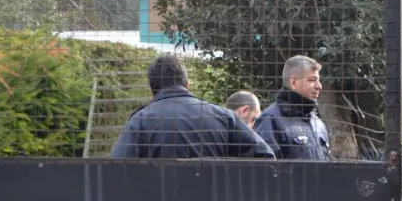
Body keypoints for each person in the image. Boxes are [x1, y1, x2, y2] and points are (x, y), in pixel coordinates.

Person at [111, 55, 275, 160]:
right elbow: (265, 156)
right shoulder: (222, 117)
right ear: (187, 84)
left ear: (151, 90)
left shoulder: (140, 122)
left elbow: (118, 169)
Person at [253, 55, 332, 160]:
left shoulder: (317, 123)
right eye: (312, 80)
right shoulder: (270, 120)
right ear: (293, 82)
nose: (319, 86)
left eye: (318, 80)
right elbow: (263, 171)